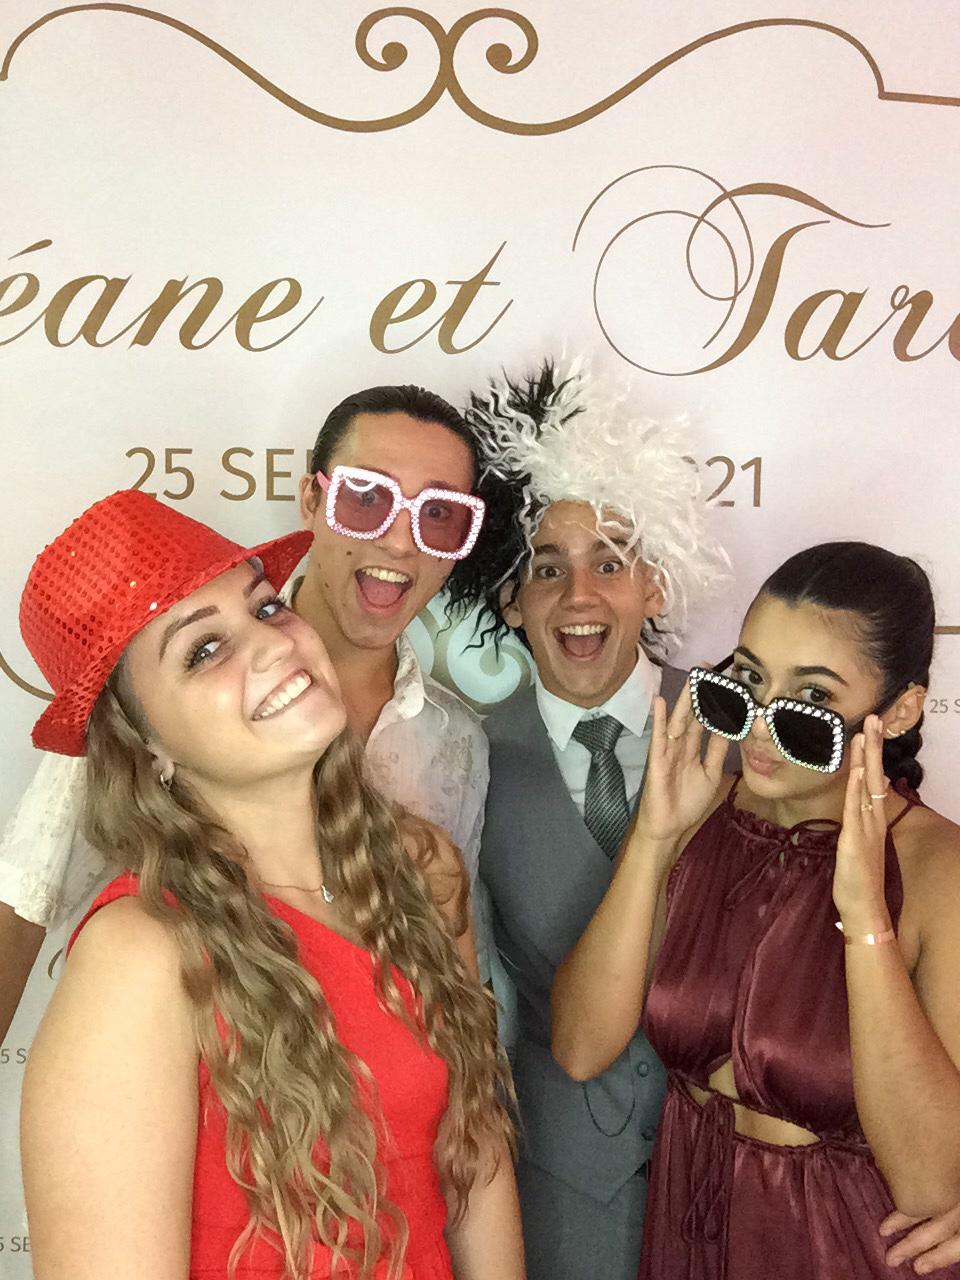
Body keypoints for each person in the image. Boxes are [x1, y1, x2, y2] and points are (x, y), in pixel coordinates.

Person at [18, 489, 523, 1280]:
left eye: (264, 607)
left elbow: (473, 1156)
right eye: (203, 651)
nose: (271, 645)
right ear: (146, 747)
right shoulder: (139, 960)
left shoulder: (414, 871)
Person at [0, 384, 494, 1040]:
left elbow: (451, 986)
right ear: (312, 500)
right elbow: (20, 915)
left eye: (439, 514)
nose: (402, 542)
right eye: (367, 498)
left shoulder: (460, 741)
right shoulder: (143, 714)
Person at [552, 541, 960, 1278]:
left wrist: (866, 919)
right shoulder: (697, 814)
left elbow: (932, 1184)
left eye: (812, 701)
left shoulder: (939, 871)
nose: (763, 728)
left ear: (898, 711)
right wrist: (652, 841)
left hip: (846, 1247)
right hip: (689, 1233)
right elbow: (582, 1046)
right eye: (745, 682)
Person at [444, 360, 728, 1280]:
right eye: (547, 569)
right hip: (556, 1193)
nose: (579, 595)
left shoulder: (741, 735)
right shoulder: (463, 759)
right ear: (509, 600)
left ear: (656, 586)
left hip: (743, 1177)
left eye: (610, 562)